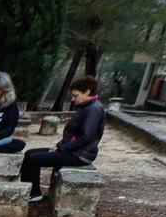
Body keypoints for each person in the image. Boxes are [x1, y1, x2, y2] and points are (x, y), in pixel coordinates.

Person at [20, 75, 105, 203]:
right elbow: (73, 134)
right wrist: (59, 146)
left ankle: (34, 194)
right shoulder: (86, 107)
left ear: (87, 92)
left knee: (34, 158)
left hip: (80, 155)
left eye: (75, 95)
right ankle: (29, 190)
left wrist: (62, 148)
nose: (72, 99)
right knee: (29, 153)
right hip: (72, 150)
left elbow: (85, 137)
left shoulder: (93, 109)